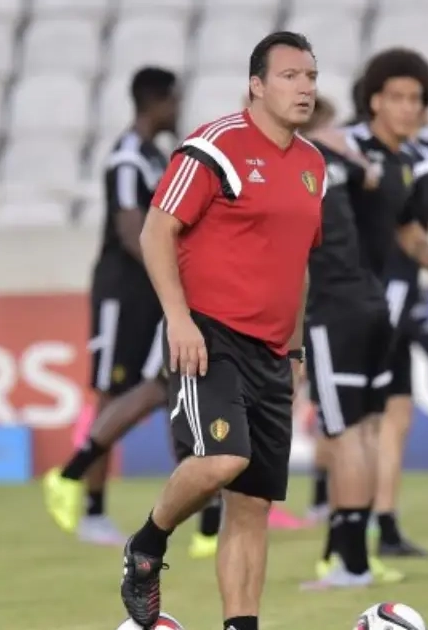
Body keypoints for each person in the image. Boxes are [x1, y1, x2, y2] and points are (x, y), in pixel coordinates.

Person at [118, 32, 326, 629]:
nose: (305, 87)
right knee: (222, 459)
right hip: (210, 336)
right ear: (256, 85)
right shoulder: (214, 147)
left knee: (252, 504)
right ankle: (147, 545)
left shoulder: (313, 165)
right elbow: (156, 231)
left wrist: (294, 350)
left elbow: (297, 264)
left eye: (311, 76)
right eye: (290, 76)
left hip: (272, 350)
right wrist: (179, 320)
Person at [304, 59, 428, 588]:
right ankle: (346, 552)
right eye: (397, 97)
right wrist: (358, 162)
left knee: (350, 433)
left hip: (346, 309)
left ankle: (350, 559)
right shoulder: (349, 143)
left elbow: (410, 234)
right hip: (366, 307)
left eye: (416, 99)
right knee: (362, 432)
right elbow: (314, 139)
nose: (409, 108)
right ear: (374, 100)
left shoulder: (407, 165)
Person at [42, 66, 182, 547]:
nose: (177, 109)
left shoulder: (156, 157)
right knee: (112, 390)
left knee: (167, 387)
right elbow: (129, 229)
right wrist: (171, 275)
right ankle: (91, 508)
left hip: (153, 288)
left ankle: (199, 507)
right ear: (156, 102)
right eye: (173, 100)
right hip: (124, 291)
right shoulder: (127, 158)